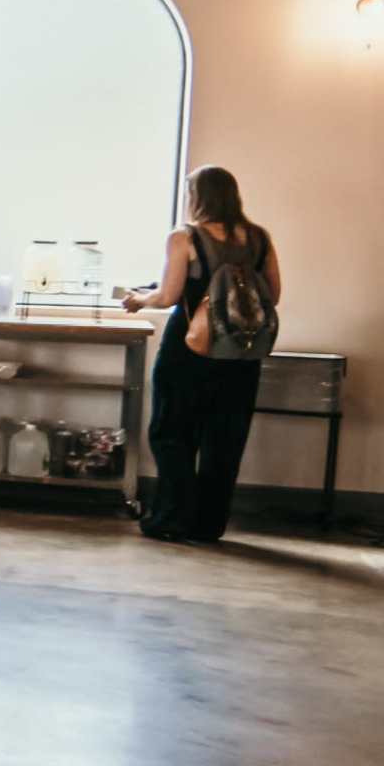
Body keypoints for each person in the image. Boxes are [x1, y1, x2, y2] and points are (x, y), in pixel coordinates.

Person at [118, 166, 282, 543]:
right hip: (242, 352)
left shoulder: (184, 237)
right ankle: (209, 525)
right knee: (225, 439)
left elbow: (169, 296)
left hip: (190, 347)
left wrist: (140, 299)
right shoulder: (259, 238)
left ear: (197, 196)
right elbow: (273, 294)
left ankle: (173, 518)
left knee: (171, 432)